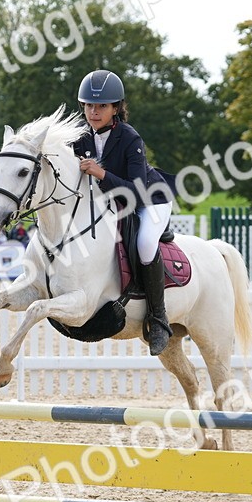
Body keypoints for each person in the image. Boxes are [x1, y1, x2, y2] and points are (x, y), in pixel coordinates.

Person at [73, 68, 176, 355]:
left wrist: (101, 174)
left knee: (144, 243)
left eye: (102, 106)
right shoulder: (80, 137)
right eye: (89, 105)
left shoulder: (131, 138)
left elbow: (137, 192)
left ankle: (158, 318)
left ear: (115, 108)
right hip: (111, 203)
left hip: (149, 200)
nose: (94, 111)